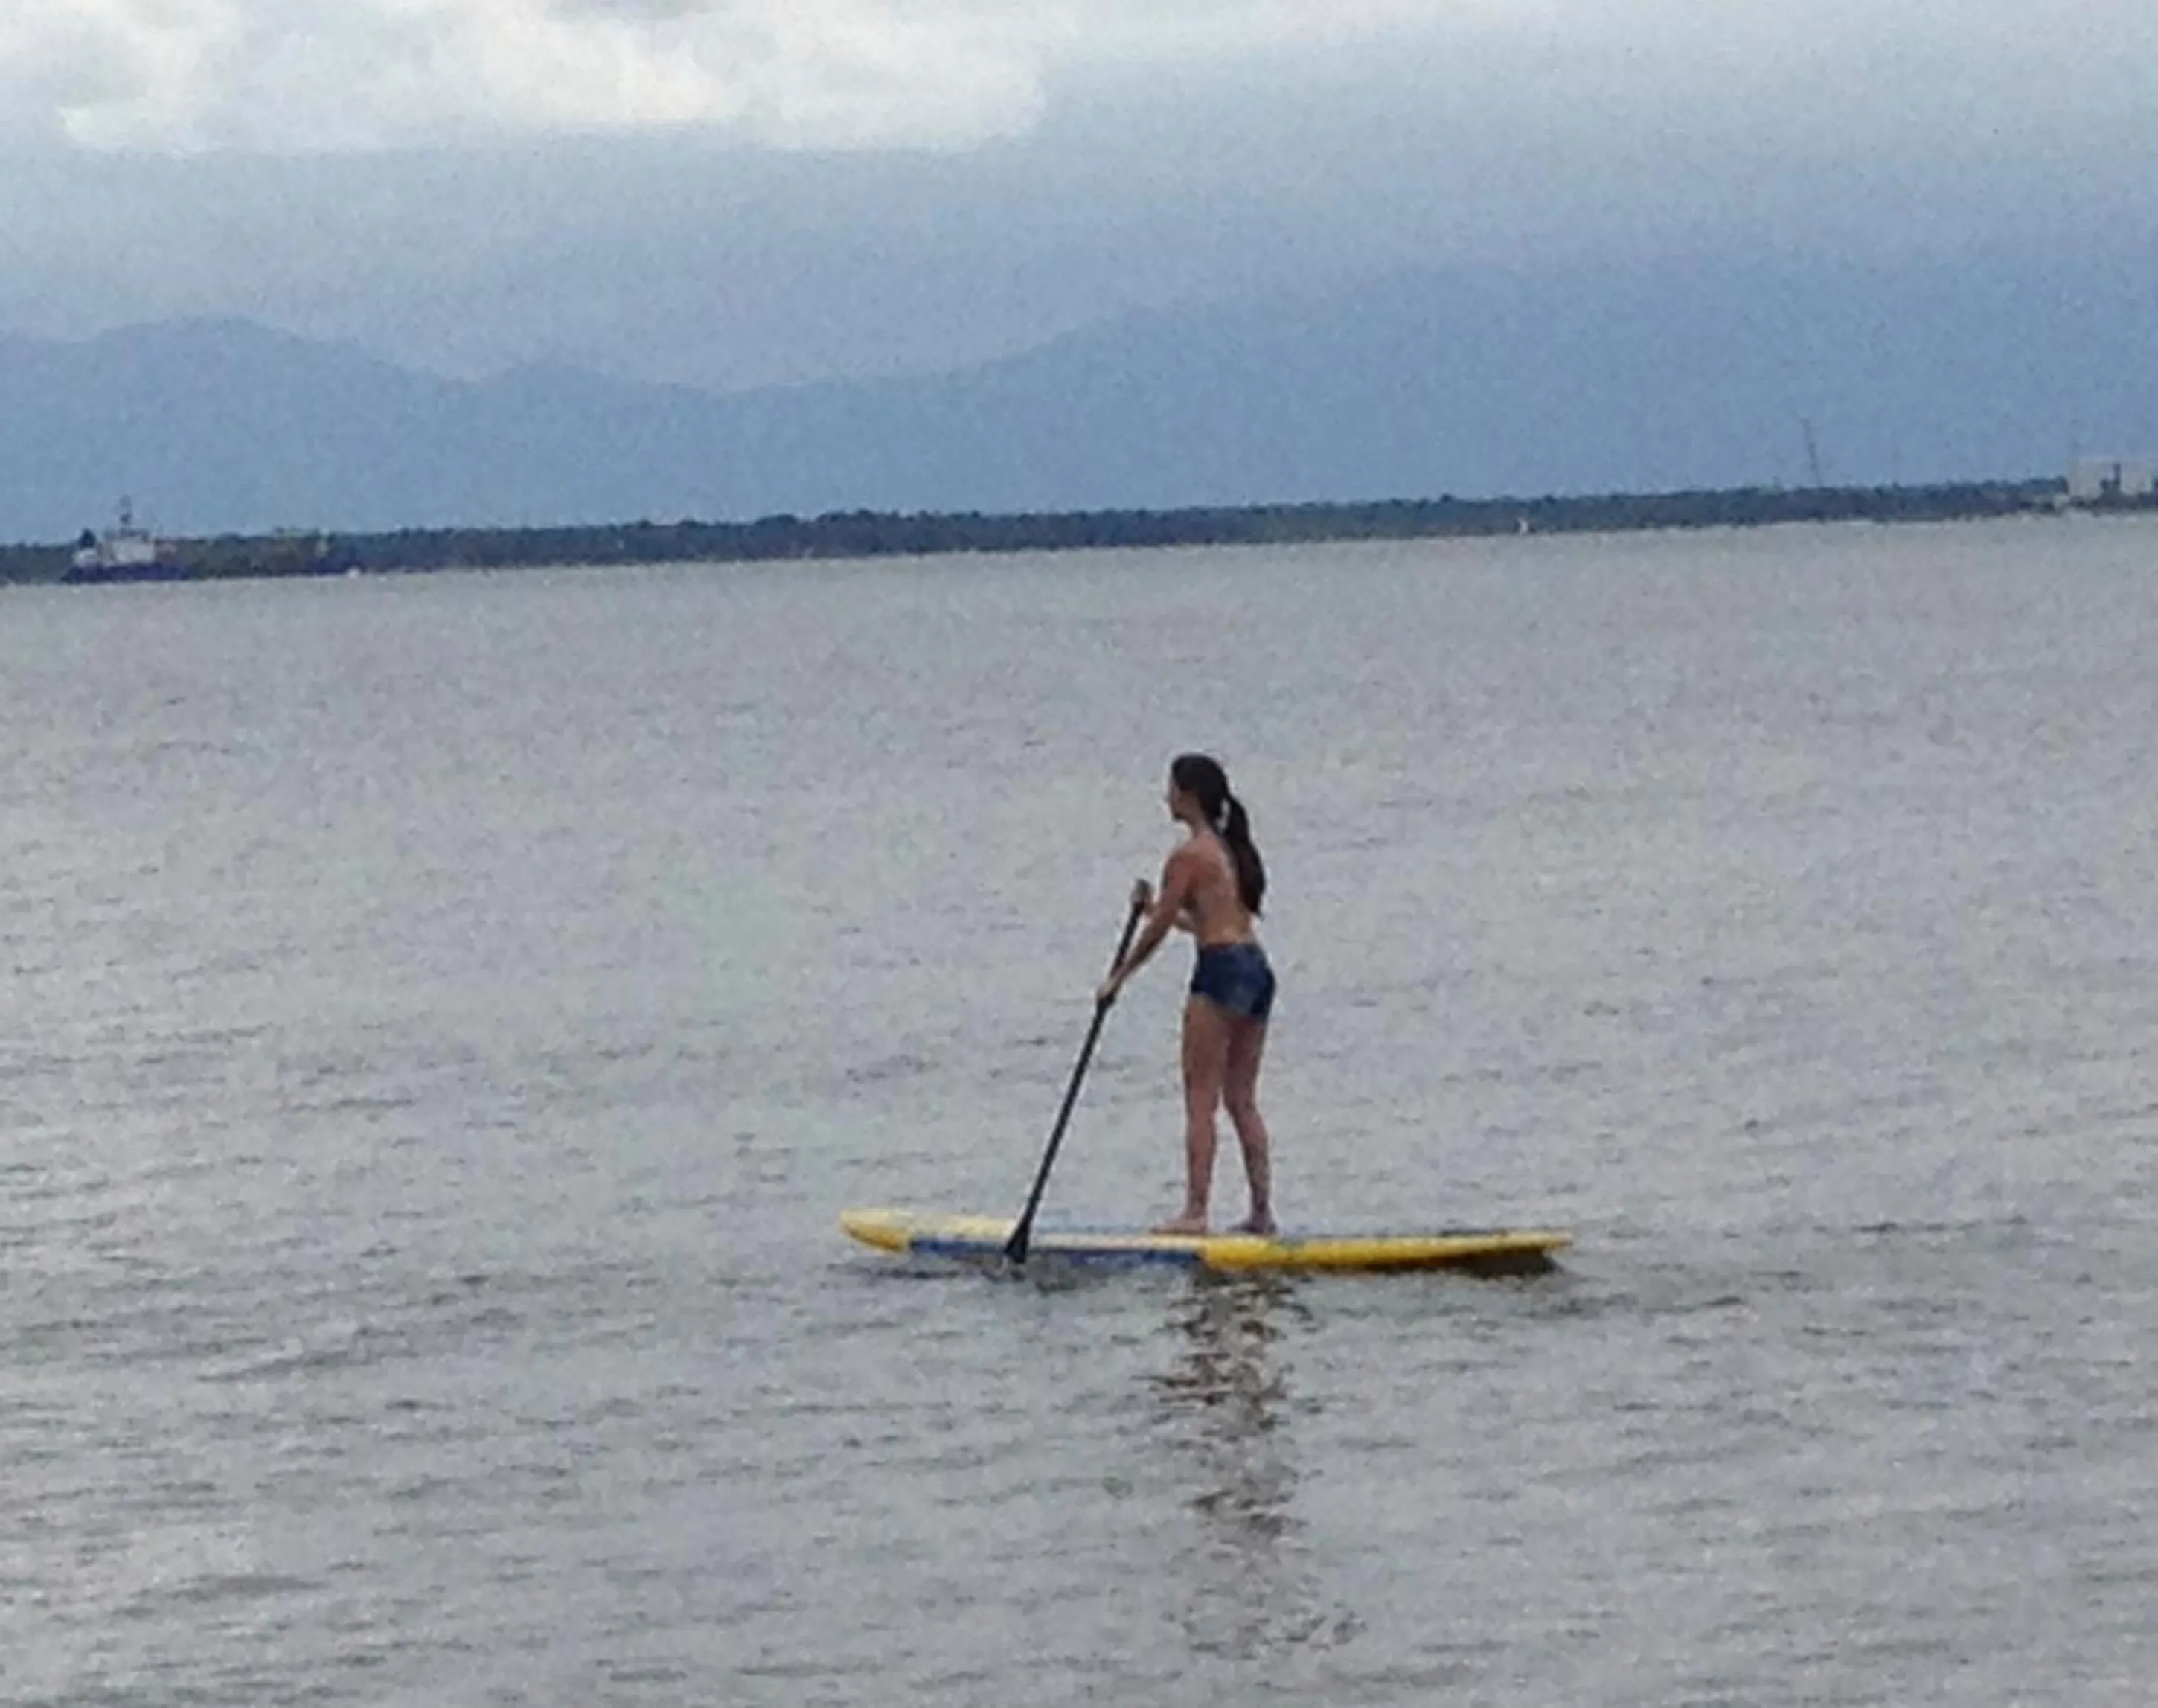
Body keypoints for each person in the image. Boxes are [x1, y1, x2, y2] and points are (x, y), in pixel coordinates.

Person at [1096, 753, 1276, 1235]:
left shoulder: (1187, 856)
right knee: (1241, 1098)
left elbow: (1156, 933)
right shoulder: (1225, 849)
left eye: (1171, 787)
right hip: (1256, 968)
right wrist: (1154, 904)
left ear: (1189, 795)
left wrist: (1118, 978)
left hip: (1220, 971)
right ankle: (1262, 1212)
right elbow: (1199, 921)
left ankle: (1195, 1213)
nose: (1166, 796)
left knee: (1201, 1098)